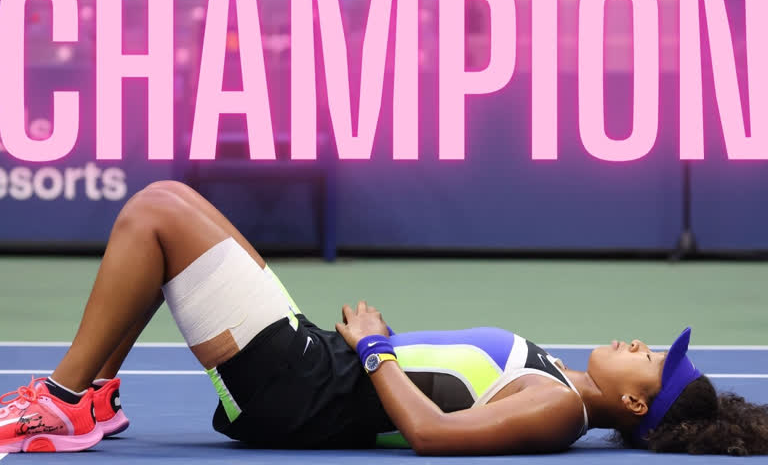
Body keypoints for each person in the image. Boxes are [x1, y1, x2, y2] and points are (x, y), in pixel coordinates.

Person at [1, 181, 766, 455]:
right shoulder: (556, 379)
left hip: (303, 389)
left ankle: (66, 401)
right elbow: (438, 395)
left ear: (635, 403)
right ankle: (93, 394)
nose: (638, 343)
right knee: (168, 218)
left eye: (651, 360)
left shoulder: (560, 410)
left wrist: (373, 349)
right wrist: (382, 350)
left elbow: (433, 437)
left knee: (156, 214)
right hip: (315, 372)